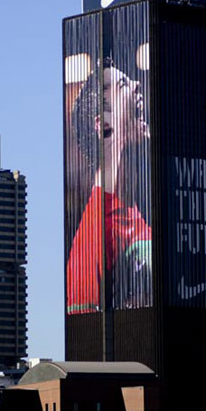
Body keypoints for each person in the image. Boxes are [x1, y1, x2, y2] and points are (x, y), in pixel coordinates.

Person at [67, 56, 152, 314]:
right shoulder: (92, 239)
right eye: (124, 84)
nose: (137, 85)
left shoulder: (135, 210)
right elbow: (85, 330)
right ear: (104, 125)